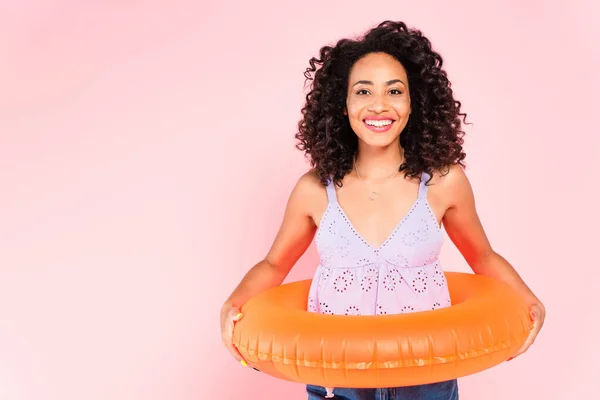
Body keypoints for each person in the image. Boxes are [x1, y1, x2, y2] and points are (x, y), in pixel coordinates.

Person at [220, 20, 545, 399]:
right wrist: (233, 303)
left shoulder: (444, 182)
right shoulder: (314, 190)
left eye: (395, 90)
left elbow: (483, 255)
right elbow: (275, 264)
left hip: (428, 374)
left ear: (413, 103)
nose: (379, 105)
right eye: (363, 91)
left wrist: (529, 301)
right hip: (338, 376)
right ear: (343, 105)